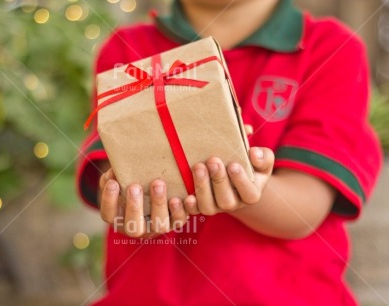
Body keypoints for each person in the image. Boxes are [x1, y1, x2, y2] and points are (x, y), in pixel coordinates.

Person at [77, 0, 383, 305]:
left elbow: (303, 210)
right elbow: (117, 181)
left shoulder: (330, 49)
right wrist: (132, 209)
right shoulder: (126, 49)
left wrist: (246, 188)